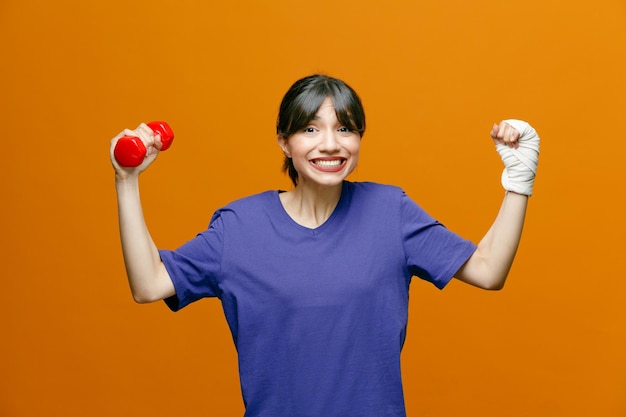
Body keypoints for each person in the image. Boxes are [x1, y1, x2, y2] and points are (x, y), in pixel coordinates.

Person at [110, 74, 540, 417]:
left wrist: (518, 183)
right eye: (311, 129)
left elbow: (488, 270)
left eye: (345, 129)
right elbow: (148, 284)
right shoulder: (238, 227)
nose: (331, 144)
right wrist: (126, 181)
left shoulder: (390, 211)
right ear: (284, 141)